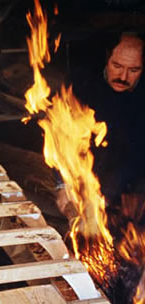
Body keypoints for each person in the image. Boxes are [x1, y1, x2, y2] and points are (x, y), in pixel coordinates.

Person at [56, 33, 145, 217]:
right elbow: (61, 136)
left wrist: (135, 191)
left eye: (134, 70)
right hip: (86, 170)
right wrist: (63, 185)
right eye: (117, 66)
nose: (123, 76)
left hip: (129, 179)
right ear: (107, 58)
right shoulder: (79, 83)